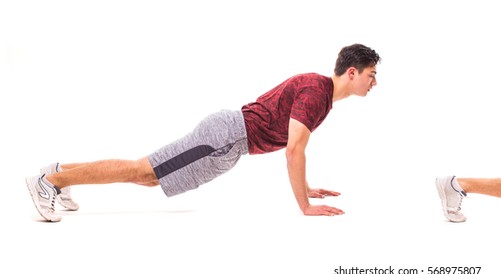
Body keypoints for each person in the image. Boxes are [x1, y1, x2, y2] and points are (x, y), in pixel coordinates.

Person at [26, 43, 380, 222]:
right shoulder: (317, 92)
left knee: (148, 175)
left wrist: (305, 186)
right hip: (225, 138)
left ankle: (59, 171)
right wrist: (304, 205)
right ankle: (50, 182)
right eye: (371, 74)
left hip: (228, 140)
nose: (374, 82)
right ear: (352, 72)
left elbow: (291, 145)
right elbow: (294, 151)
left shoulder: (319, 92)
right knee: (143, 171)